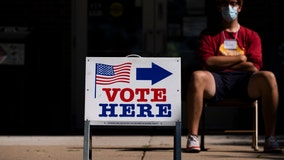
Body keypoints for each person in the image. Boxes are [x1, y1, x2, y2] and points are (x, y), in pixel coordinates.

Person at [186, 0, 282, 153]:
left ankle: (271, 138)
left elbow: (254, 66)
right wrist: (240, 59)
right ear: (218, 7)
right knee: (197, 77)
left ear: (240, 7)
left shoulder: (251, 36)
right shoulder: (209, 34)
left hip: (245, 81)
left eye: (233, 3)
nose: (229, 8)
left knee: (268, 77)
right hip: (216, 80)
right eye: (225, 4)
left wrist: (221, 62)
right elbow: (207, 62)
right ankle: (193, 136)